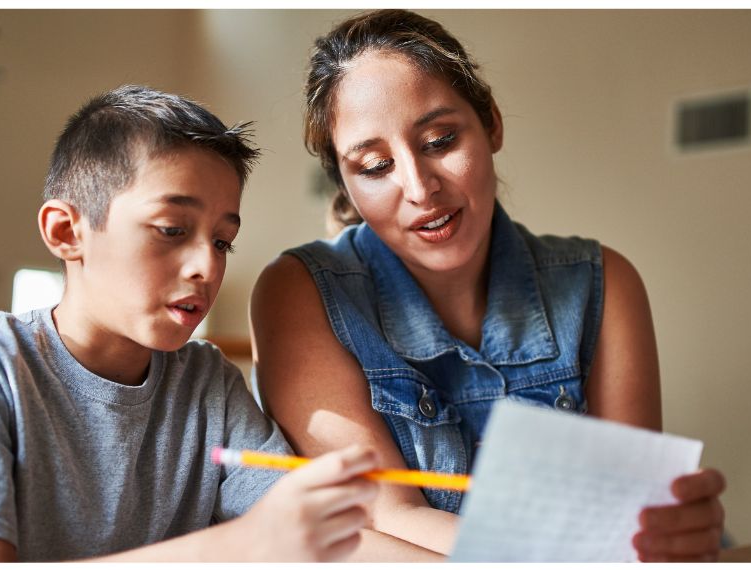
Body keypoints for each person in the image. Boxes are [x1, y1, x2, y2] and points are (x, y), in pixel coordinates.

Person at [250, 10, 726, 562]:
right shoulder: (300, 293)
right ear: (346, 184)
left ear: (493, 124)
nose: (419, 188)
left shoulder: (603, 283)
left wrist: (666, 534)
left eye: (440, 140)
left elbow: (632, 519)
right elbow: (383, 518)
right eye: (376, 166)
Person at [0, 85, 379, 562]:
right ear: (66, 232)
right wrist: (240, 543)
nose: (207, 266)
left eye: (223, 241)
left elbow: (317, 543)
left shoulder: (208, 384)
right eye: (172, 229)